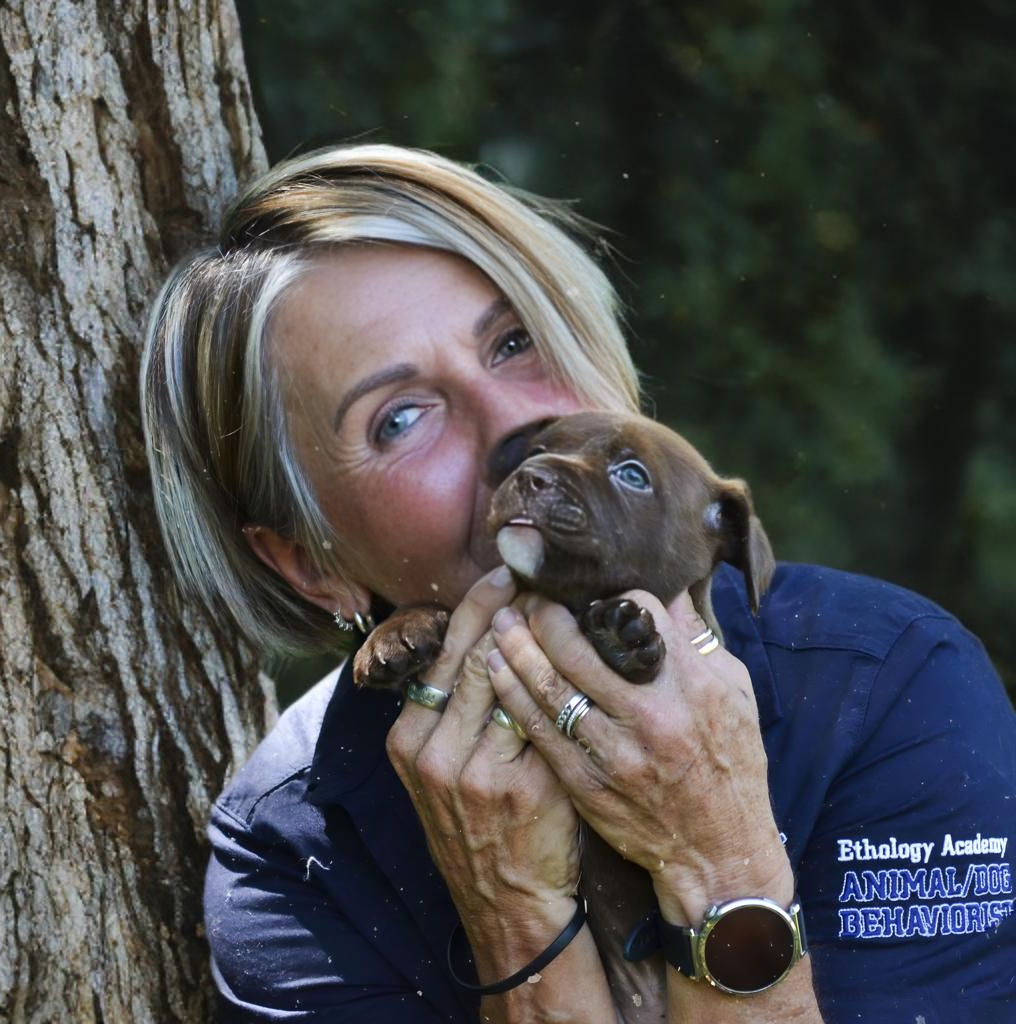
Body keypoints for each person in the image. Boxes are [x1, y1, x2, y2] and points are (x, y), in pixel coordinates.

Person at [140, 144, 1016, 1023]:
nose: (518, 430)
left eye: (514, 341)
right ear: (313, 564)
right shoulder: (301, 858)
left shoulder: (886, 690)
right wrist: (516, 926)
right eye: (399, 419)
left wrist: (721, 864)